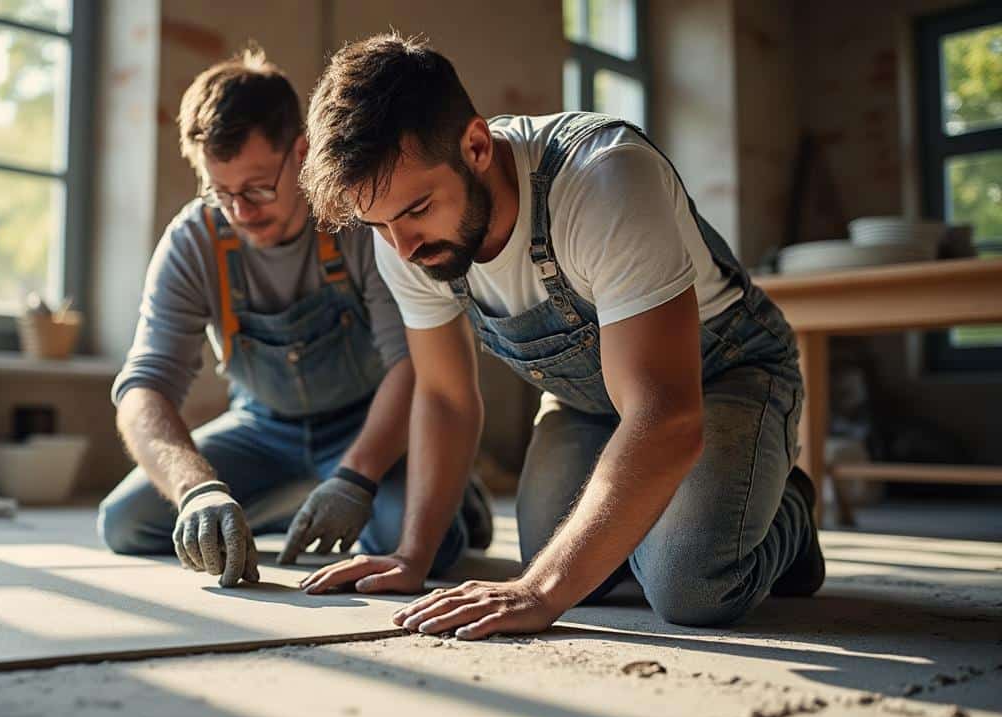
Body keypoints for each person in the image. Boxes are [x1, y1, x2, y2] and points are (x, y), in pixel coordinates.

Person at [295, 33, 822, 636]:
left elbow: (666, 414)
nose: (402, 247)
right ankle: (706, 505)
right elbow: (443, 397)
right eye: (376, 224)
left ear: (475, 146)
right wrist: (412, 556)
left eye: (417, 210)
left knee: (687, 583)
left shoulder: (603, 178)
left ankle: (789, 514)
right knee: (563, 554)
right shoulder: (400, 234)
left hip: (723, 372)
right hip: (586, 398)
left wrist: (541, 593)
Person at [99, 46, 492, 587]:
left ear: (302, 153)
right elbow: (143, 390)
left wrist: (356, 477)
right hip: (262, 429)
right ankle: (287, 499)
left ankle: (447, 489)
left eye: (259, 187)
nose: (242, 211)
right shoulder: (193, 242)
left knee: (432, 546)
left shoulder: (363, 222)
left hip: (370, 421)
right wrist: (198, 490)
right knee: (125, 524)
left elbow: (412, 367)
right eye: (222, 192)